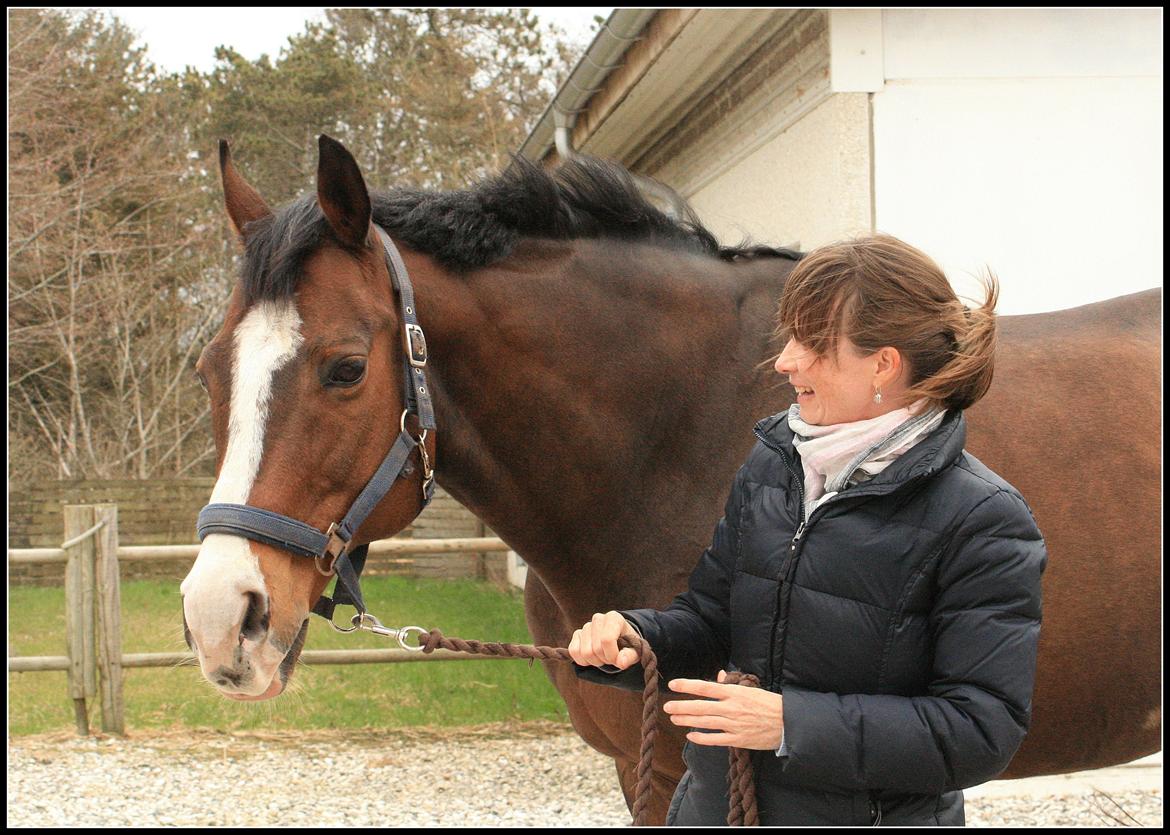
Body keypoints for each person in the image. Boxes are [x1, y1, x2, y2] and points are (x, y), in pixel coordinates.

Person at [568, 233, 1047, 826]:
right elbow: (713, 620)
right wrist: (635, 640)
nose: (786, 360)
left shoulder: (984, 520)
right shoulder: (774, 464)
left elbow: (980, 729)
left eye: (812, 343)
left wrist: (790, 724)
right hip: (718, 808)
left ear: (883, 364)